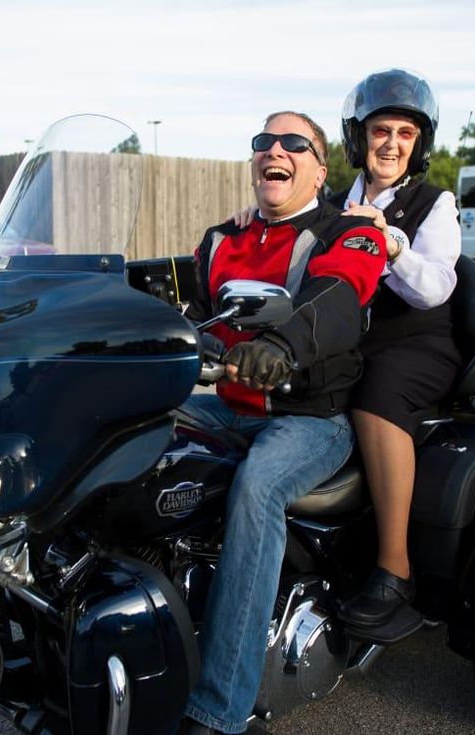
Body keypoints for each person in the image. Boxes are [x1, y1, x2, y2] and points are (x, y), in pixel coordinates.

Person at [179, 111, 386, 735]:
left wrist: (284, 347)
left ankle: (220, 709)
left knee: (257, 487)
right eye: (263, 142)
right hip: (226, 405)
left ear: (320, 170)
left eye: (295, 143)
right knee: (124, 438)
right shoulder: (221, 239)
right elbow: (184, 309)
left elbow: (339, 298)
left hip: (311, 418)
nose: (276, 150)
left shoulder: (347, 232)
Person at [331, 69, 462, 633]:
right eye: (381, 130)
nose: (391, 144)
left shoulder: (436, 204)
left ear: (419, 143)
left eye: (405, 134)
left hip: (419, 341)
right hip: (351, 339)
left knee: (375, 390)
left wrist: (389, 242)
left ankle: (394, 567)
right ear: (358, 138)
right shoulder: (333, 203)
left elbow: (434, 286)